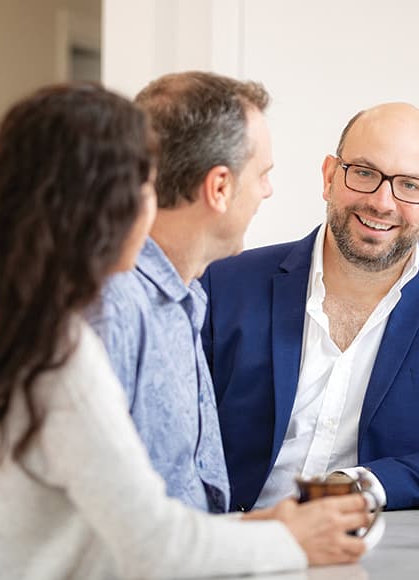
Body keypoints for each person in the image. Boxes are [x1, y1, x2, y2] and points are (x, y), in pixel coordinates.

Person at [0, 83, 369, 580]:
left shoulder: (23, 319)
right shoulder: (74, 339)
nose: (155, 204)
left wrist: (254, 532)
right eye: (146, 184)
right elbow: (148, 545)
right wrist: (286, 539)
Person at [201, 102, 419, 512]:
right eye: (365, 173)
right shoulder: (226, 282)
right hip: (236, 543)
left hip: (376, 554)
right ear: (329, 177)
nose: (382, 202)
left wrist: (361, 485)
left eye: (410, 185)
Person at [87, 71, 280, 512]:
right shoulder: (112, 305)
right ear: (219, 188)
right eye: (263, 174)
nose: (268, 191)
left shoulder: (186, 295)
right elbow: (106, 519)